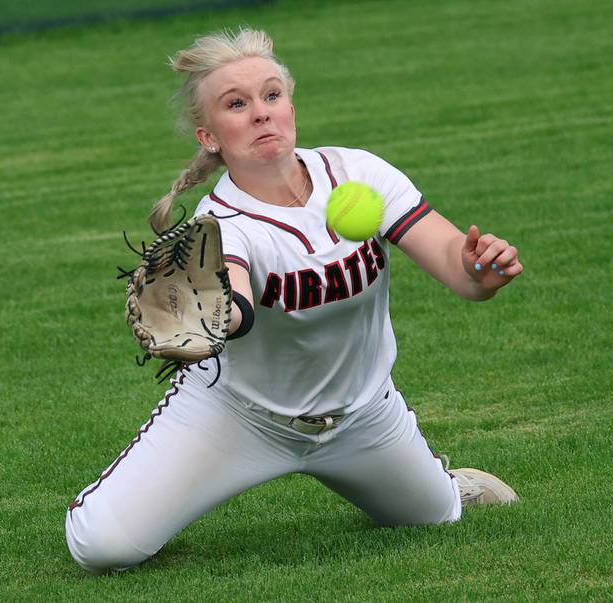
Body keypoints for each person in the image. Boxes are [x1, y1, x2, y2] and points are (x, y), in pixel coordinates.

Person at [65, 28, 524, 575]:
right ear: (208, 135)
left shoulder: (359, 175)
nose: (261, 113)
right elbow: (230, 300)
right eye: (236, 104)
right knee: (102, 547)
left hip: (363, 414)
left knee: (436, 516)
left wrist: (480, 267)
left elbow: (459, 268)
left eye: (272, 95)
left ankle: (450, 482)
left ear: (290, 105)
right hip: (238, 416)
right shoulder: (221, 224)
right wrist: (216, 313)